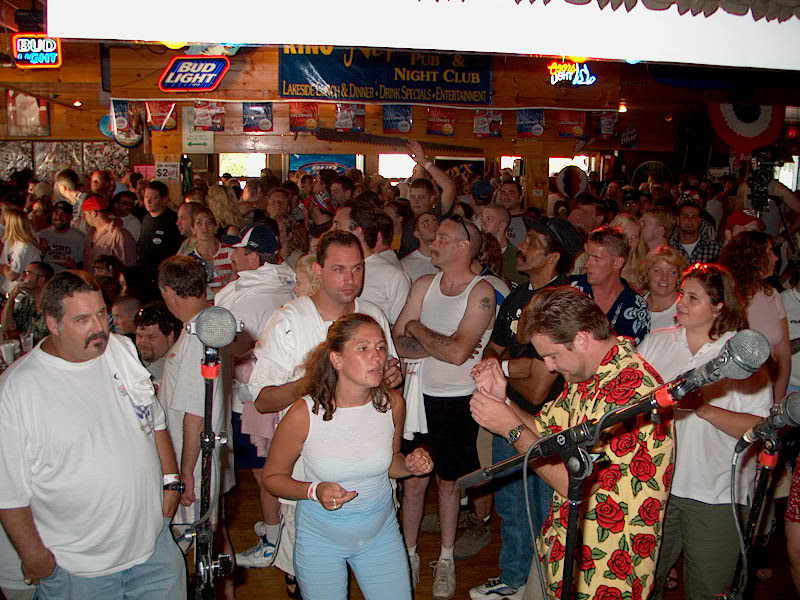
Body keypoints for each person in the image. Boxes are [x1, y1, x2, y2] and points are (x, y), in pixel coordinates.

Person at [469, 285, 673, 600]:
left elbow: (574, 482)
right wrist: (503, 402)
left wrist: (510, 428)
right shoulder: (588, 374)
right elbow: (544, 432)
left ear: (581, 338)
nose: (549, 366)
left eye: (552, 355)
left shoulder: (631, 392)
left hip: (605, 567)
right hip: (563, 544)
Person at [0, 271, 186, 600]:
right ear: (53, 323)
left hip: (154, 551)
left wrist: (171, 482)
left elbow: (153, 418)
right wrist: (35, 557)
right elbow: (8, 492)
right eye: (82, 319)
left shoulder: (121, 349)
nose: (99, 327)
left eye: (101, 313)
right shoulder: (18, 390)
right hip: (79, 571)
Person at [246, 230, 402, 599]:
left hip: (370, 483)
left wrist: (391, 377)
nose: (350, 279)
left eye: (357, 268)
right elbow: (263, 400)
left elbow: (387, 382)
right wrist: (313, 382)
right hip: (310, 483)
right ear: (318, 270)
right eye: (339, 269)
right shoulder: (289, 321)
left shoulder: (372, 314)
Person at [263, 313, 433, 600]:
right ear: (337, 359)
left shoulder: (392, 404)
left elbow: (391, 463)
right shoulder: (304, 413)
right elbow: (272, 478)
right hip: (320, 542)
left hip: (380, 536)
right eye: (363, 348)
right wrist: (314, 491)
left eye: (381, 347)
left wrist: (410, 465)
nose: (377, 357)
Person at [638, 263, 772, 600]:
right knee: (644, 584)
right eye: (681, 294)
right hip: (658, 486)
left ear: (719, 306)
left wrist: (702, 407)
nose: (680, 302)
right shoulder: (656, 342)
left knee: (708, 591)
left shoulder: (742, 355)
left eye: (693, 298)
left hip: (716, 494)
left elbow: (759, 428)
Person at [469, 218, 583, 600]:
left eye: (532, 242)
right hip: (506, 415)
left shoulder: (562, 303)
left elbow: (537, 389)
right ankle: (514, 579)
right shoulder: (518, 295)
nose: (522, 246)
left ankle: (543, 584)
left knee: (544, 510)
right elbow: (492, 350)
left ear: (553, 257)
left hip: (546, 424)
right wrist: (503, 367)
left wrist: (500, 370)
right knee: (512, 506)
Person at [393, 216, 496, 599]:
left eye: (443, 237)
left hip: (457, 402)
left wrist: (418, 330)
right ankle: (408, 554)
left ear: (464, 246)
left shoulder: (481, 291)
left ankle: (447, 557)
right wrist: (440, 342)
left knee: (449, 483)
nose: (433, 242)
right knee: (413, 480)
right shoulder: (423, 283)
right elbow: (398, 342)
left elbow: (457, 353)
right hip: (417, 396)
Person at [213, 224, 297, 570]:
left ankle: (273, 542)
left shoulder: (251, 298)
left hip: (253, 399)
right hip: (274, 396)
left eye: (238, 250)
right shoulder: (283, 284)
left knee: (265, 472)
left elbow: (231, 349)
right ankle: (278, 528)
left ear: (254, 256)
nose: (231, 255)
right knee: (272, 468)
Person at [719, 230, 789, 403]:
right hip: (729, 393)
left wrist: (777, 402)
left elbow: (784, 356)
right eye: (769, 253)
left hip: (766, 391)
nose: (776, 258)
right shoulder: (725, 296)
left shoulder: (772, 295)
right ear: (752, 258)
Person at [333, 201, 411, 325]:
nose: (332, 231)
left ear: (358, 231)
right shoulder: (329, 269)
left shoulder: (392, 276)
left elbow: (401, 329)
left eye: (338, 225)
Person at [570, 226, 651, 345]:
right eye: (588, 257)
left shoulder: (636, 307)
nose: (587, 264)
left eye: (596, 259)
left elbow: (630, 354)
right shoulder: (569, 289)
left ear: (617, 263)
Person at [399, 140, 456, 258]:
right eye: (413, 197)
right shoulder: (408, 221)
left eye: (421, 197)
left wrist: (424, 161)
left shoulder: (437, 215)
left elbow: (449, 187)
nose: (415, 201)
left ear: (432, 198)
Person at [0, 261, 54, 345]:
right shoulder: (27, 300)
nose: (22, 277)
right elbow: (7, 327)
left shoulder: (53, 305)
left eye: (27, 273)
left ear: (41, 279)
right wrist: (12, 296)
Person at [187, 206, 234, 300]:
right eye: (199, 223)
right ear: (193, 229)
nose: (204, 227)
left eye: (209, 223)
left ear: (216, 227)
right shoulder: (189, 261)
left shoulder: (231, 253)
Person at [138, 181, 182, 281]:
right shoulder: (145, 218)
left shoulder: (173, 221)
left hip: (164, 275)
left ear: (164, 200)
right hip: (145, 274)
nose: (148, 201)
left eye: (154, 198)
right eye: (146, 197)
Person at [134, 301, 182, 387]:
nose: (143, 342)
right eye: (139, 336)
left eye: (151, 337)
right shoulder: (130, 358)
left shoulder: (179, 368)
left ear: (170, 336)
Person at [642, 246, 688, 331]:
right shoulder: (634, 305)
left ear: (678, 276)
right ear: (647, 273)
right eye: (657, 271)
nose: (665, 278)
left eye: (672, 272)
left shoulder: (686, 308)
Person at [480, 204, 527, 285]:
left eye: (489, 219)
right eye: (482, 218)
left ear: (502, 225)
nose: (483, 223)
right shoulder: (477, 251)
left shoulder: (516, 258)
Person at [0, 207, 42, 294]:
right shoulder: (10, 242)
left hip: (21, 295)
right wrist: (5, 269)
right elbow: (3, 264)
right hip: (7, 290)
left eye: (5, 222)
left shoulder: (25, 247)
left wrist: (5, 268)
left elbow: (12, 276)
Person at [38, 200, 85, 272]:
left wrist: (74, 266)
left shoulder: (80, 238)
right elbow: (33, 262)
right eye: (56, 213)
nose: (58, 217)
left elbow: (85, 266)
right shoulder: (41, 235)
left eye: (63, 214)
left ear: (71, 217)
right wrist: (42, 253)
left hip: (68, 277)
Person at [610, 212, 646, 292]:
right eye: (625, 235)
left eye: (634, 236)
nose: (630, 241)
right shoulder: (599, 265)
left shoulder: (644, 270)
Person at [401, 212, 440, 283]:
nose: (433, 225)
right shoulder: (406, 265)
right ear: (417, 234)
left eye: (436, 223)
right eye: (426, 224)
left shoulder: (449, 258)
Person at [496, 181, 529, 248]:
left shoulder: (529, 221)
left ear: (520, 197)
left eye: (511, 193)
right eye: (503, 193)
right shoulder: (496, 218)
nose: (506, 197)